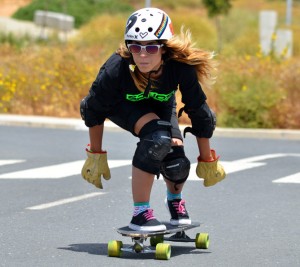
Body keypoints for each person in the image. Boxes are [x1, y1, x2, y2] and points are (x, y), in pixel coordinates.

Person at [80, 7, 226, 232]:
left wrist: (207, 159)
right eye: (136, 47)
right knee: (156, 139)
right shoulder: (116, 68)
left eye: (151, 47)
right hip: (123, 106)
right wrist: (95, 156)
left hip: (162, 105)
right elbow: (93, 108)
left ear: (164, 49)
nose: (143, 55)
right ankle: (140, 213)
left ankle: (175, 201)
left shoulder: (180, 68)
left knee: (176, 159)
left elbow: (199, 112)